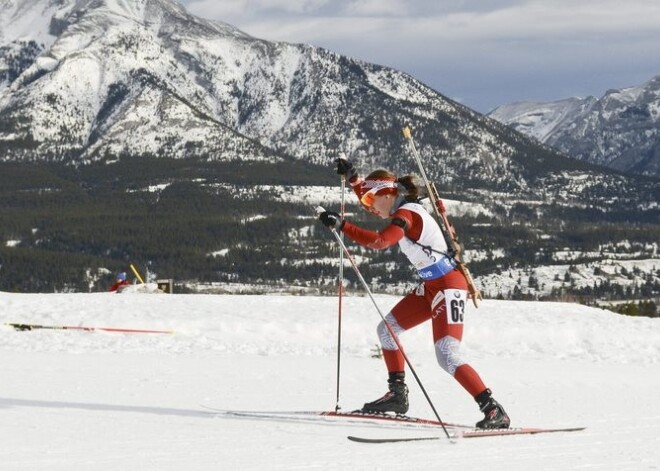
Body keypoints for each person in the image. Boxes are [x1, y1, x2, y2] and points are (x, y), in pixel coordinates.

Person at [317, 158, 510, 429]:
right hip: (431, 285)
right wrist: (353, 179)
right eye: (369, 201)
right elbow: (367, 196)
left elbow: (380, 242)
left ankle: (493, 409)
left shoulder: (407, 215)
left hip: (449, 286)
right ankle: (397, 395)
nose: (370, 206)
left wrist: (343, 227)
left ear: (389, 193)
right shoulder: (393, 203)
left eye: (374, 200)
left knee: (447, 353)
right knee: (387, 330)